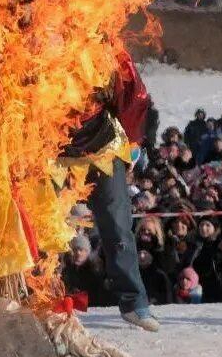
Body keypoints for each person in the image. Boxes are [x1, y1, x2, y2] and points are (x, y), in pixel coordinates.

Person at [59, 50, 158, 331]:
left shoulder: (105, 46)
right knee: (45, 228)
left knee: (117, 224)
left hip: (102, 146)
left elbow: (132, 99)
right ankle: (45, 301)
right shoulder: (42, 39)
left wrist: (133, 147)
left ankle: (134, 303)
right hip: (53, 148)